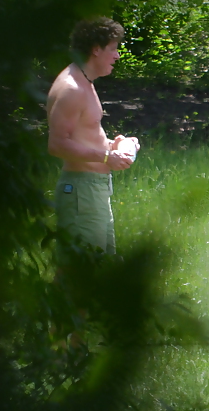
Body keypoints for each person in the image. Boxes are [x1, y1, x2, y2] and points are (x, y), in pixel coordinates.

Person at [47, 17, 140, 261]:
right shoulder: (72, 89)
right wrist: (106, 156)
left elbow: (81, 136)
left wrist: (115, 145)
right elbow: (57, 144)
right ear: (96, 49)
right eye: (113, 48)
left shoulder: (85, 83)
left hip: (92, 191)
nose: (117, 56)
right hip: (80, 191)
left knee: (99, 266)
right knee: (81, 269)